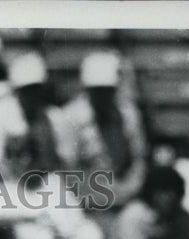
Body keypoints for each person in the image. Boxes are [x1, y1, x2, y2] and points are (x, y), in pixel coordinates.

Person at [58, 51, 147, 208]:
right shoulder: (71, 117)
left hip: (125, 196)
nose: (102, 96)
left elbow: (138, 160)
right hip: (84, 201)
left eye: (107, 90)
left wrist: (127, 192)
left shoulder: (129, 114)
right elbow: (67, 169)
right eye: (97, 90)